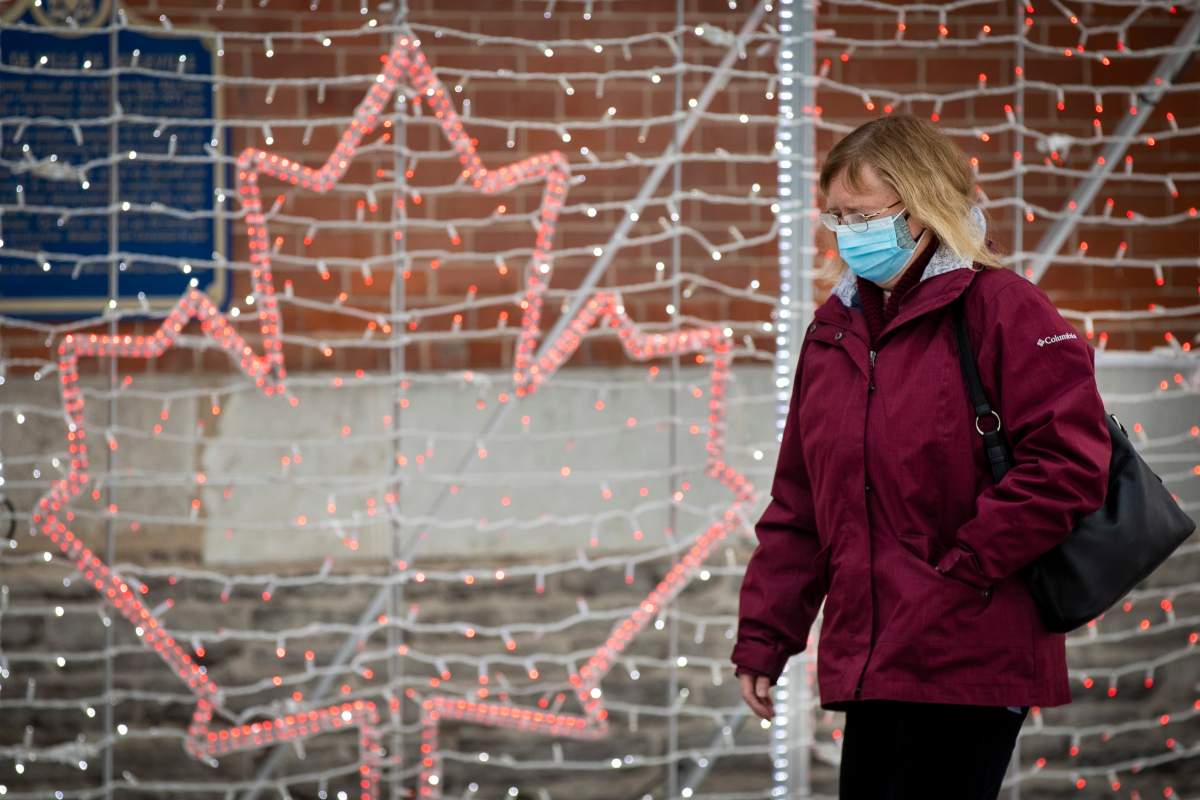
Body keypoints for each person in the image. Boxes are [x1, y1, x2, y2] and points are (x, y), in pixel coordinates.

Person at [730, 114, 1112, 799]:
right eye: (837, 217)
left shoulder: (1003, 309)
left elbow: (1069, 464)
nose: (849, 233)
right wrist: (766, 635)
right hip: (876, 656)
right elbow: (800, 503)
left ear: (925, 209)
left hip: (968, 648)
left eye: (865, 215)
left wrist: (963, 570)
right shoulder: (833, 333)